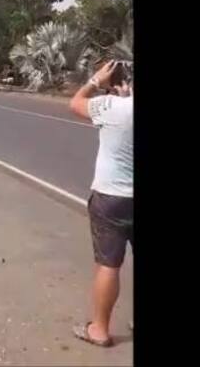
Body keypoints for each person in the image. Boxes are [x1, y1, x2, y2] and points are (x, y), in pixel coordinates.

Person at [68, 60, 133, 348]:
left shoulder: (111, 107)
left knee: (109, 264)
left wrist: (95, 81)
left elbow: (76, 103)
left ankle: (100, 329)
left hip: (111, 197)